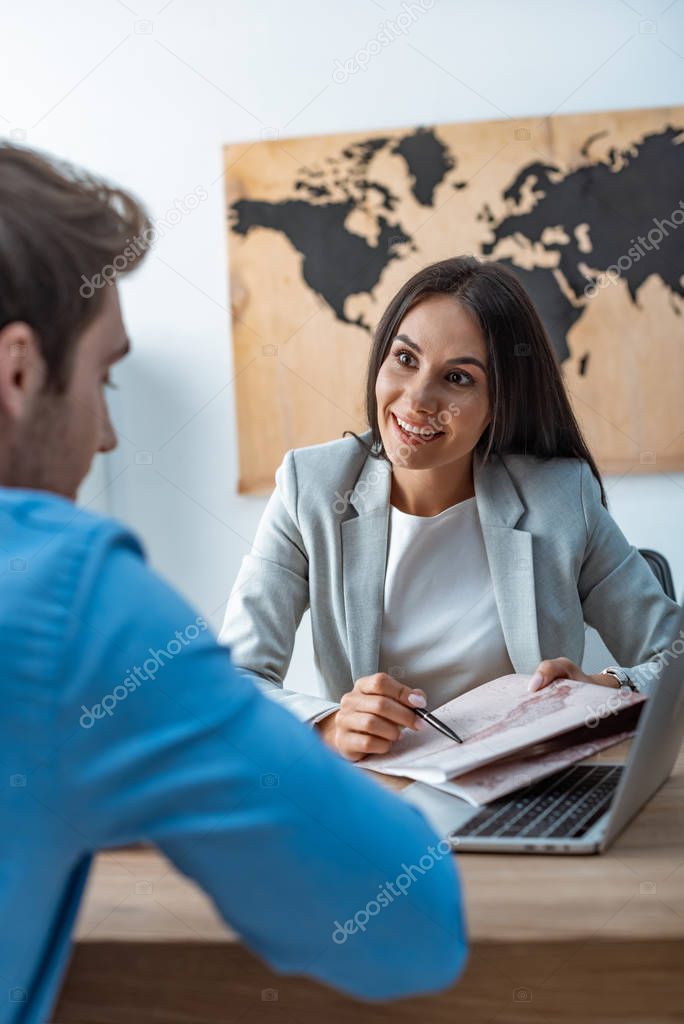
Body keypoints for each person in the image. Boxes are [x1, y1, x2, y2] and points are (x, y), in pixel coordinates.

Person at [0, 143, 468, 1024]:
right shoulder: (68, 595)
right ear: (19, 372)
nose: (105, 435)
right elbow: (411, 925)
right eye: (102, 377)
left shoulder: (556, 498)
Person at [221, 256, 681, 763]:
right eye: (405, 358)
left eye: (458, 378)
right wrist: (330, 725)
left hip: (524, 790)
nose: (417, 399)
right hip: (381, 796)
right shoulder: (309, 488)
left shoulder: (560, 497)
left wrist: (605, 686)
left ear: (500, 401)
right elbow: (231, 684)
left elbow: (673, 655)